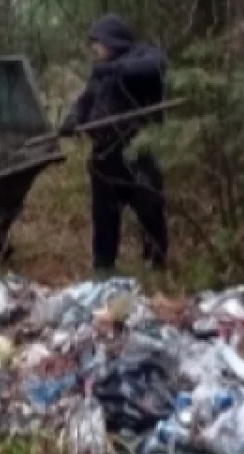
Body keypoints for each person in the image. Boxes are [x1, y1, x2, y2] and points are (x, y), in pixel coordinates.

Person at [58, 14, 169, 272]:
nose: (95, 49)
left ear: (113, 40)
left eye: (98, 42)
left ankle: (155, 265)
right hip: (105, 154)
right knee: (104, 215)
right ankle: (103, 268)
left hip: (139, 151)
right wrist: (73, 119)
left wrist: (114, 69)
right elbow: (85, 101)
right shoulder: (100, 71)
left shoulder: (144, 54)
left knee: (149, 208)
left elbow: (157, 66)